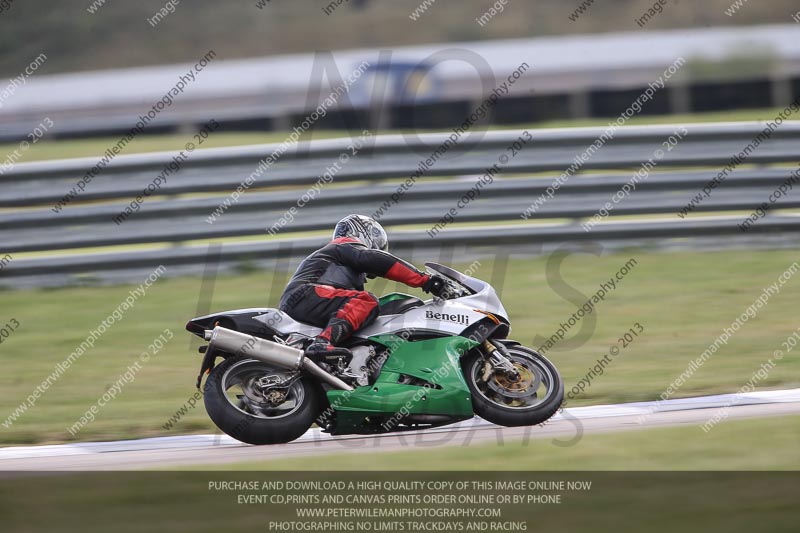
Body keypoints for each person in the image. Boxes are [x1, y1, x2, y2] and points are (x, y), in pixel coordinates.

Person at [279, 214, 445, 367]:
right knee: (366, 301)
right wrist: (425, 280)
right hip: (306, 295)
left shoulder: (346, 273)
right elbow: (374, 259)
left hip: (305, 301)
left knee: (365, 314)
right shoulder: (342, 246)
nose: (379, 248)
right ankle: (322, 344)